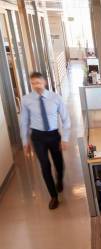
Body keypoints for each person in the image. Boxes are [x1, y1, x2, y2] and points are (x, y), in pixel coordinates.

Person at [20, 71, 71, 210]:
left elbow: (66, 119)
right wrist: (25, 142)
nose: (36, 86)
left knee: (58, 163)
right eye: (33, 83)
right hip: (37, 137)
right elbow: (24, 122)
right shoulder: (26, 100)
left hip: (54, 135)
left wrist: (65, 138)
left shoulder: (56, 98)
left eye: (39, 82)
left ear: (45, 82)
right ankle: (53, 196)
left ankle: (59, 179)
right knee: (45, 166)